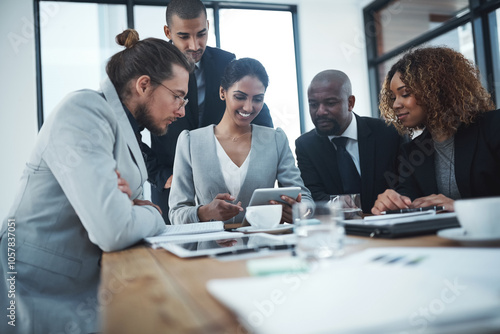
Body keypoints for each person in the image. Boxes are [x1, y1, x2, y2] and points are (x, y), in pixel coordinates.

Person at [0, 29, 193, 333]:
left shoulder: (119, 126)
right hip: (35, 288)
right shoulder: (84, 112)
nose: (182, 110)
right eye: (178, 96)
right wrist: (153, 213)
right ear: (144, 85)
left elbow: (123, 211)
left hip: (76, 285)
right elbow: (114, 228)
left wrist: (128, 206)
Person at [147, 0, 274, 224]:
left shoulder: (225, 62)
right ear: (168, 32)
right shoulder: (150, 70)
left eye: (201, 34)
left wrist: (265, 155)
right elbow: (128, 131)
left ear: (208, 25)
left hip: (220, 191)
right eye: (184, 36)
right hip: (173, 194)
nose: (195, 45)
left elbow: (255, 109)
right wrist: (160, 174)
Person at [169, 58, 311, 225]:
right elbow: (176, 214)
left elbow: (306, 200)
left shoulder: (275, 140)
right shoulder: (191, 142)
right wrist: (204, 212)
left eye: (257, 99)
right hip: (210, 249)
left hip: (264, 246)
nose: (249, 107)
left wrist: (300, 212)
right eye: (239, 97)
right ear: (222, 92)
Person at [371, 46, 499, 215]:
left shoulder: (493, 127)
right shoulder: (412, 151)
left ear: (435, 90)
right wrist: (392, 203)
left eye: (405, 94)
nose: (395, 105)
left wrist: (462, 208)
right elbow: (408, 198)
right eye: (393, 97)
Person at [295, 70, 404, 214]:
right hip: (341, 229)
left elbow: (406, 182)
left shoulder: (387, 133)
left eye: (330, 103)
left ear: (350, 103)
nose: (320, 112)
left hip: (390, 222)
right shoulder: (306, 145)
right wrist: (334, 203)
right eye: (313, 104)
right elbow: (312, 194)